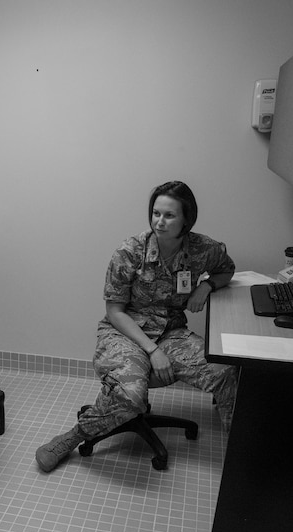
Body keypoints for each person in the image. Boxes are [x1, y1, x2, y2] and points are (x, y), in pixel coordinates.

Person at [35, 181, 239, 473]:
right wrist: (152, 350)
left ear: (186, 220)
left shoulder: (202, 249)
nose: (159, 221)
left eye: (169, 215)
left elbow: (227, 269)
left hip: (171, 333)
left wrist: (206, 286)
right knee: (131, 395)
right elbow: (115, 311)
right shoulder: (130, 251)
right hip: (125, 333)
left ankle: (241, 454)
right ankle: (73, 436)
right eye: (156, 213)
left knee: (226, 370)